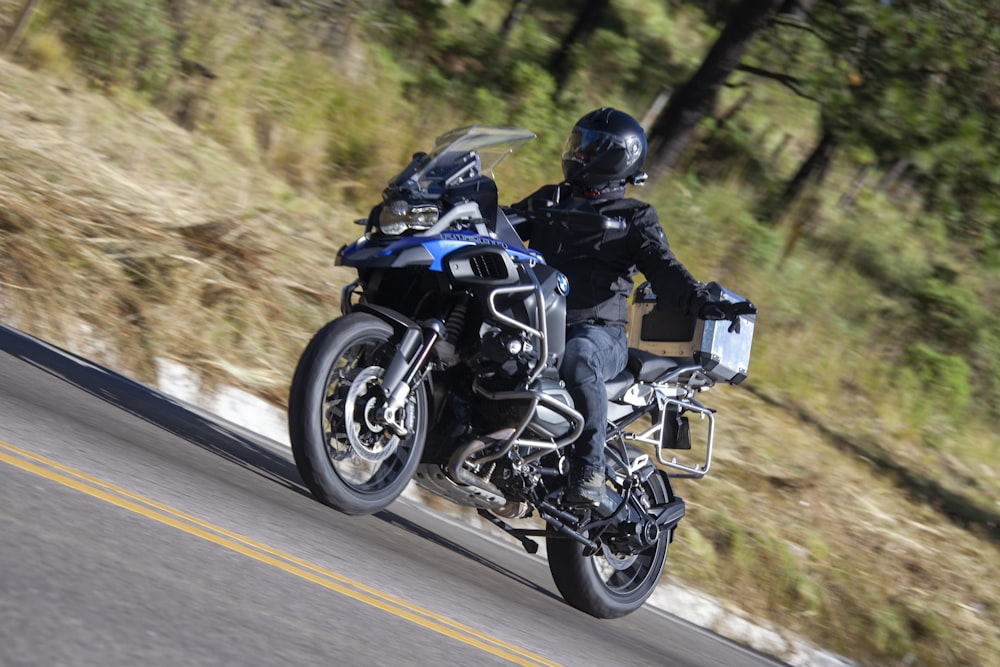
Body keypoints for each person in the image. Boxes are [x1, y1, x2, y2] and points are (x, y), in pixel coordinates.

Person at [511, 107, 753, 505]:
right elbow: (501, 225)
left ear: (617, 158)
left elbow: (663, 267)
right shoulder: (551, 200)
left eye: (590, 148)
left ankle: (589, 467)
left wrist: (699, 300)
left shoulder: (633, 217)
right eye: (579, 144)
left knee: (578, 356)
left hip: (598, 333)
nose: (578, 154)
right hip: (540, 320)